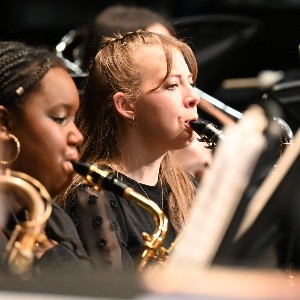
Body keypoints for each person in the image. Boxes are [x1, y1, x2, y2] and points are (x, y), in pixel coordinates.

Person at [58, 30, 200, 271]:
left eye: (191, 82)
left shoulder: (186, 186)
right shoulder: (94, 196)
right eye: (172, 85)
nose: (193, 97)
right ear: (126, 105)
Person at [0, 41, 91, 277]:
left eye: (75, 119)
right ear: (4, 124)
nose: (78, 136)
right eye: (60, 118)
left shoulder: (53, 218)